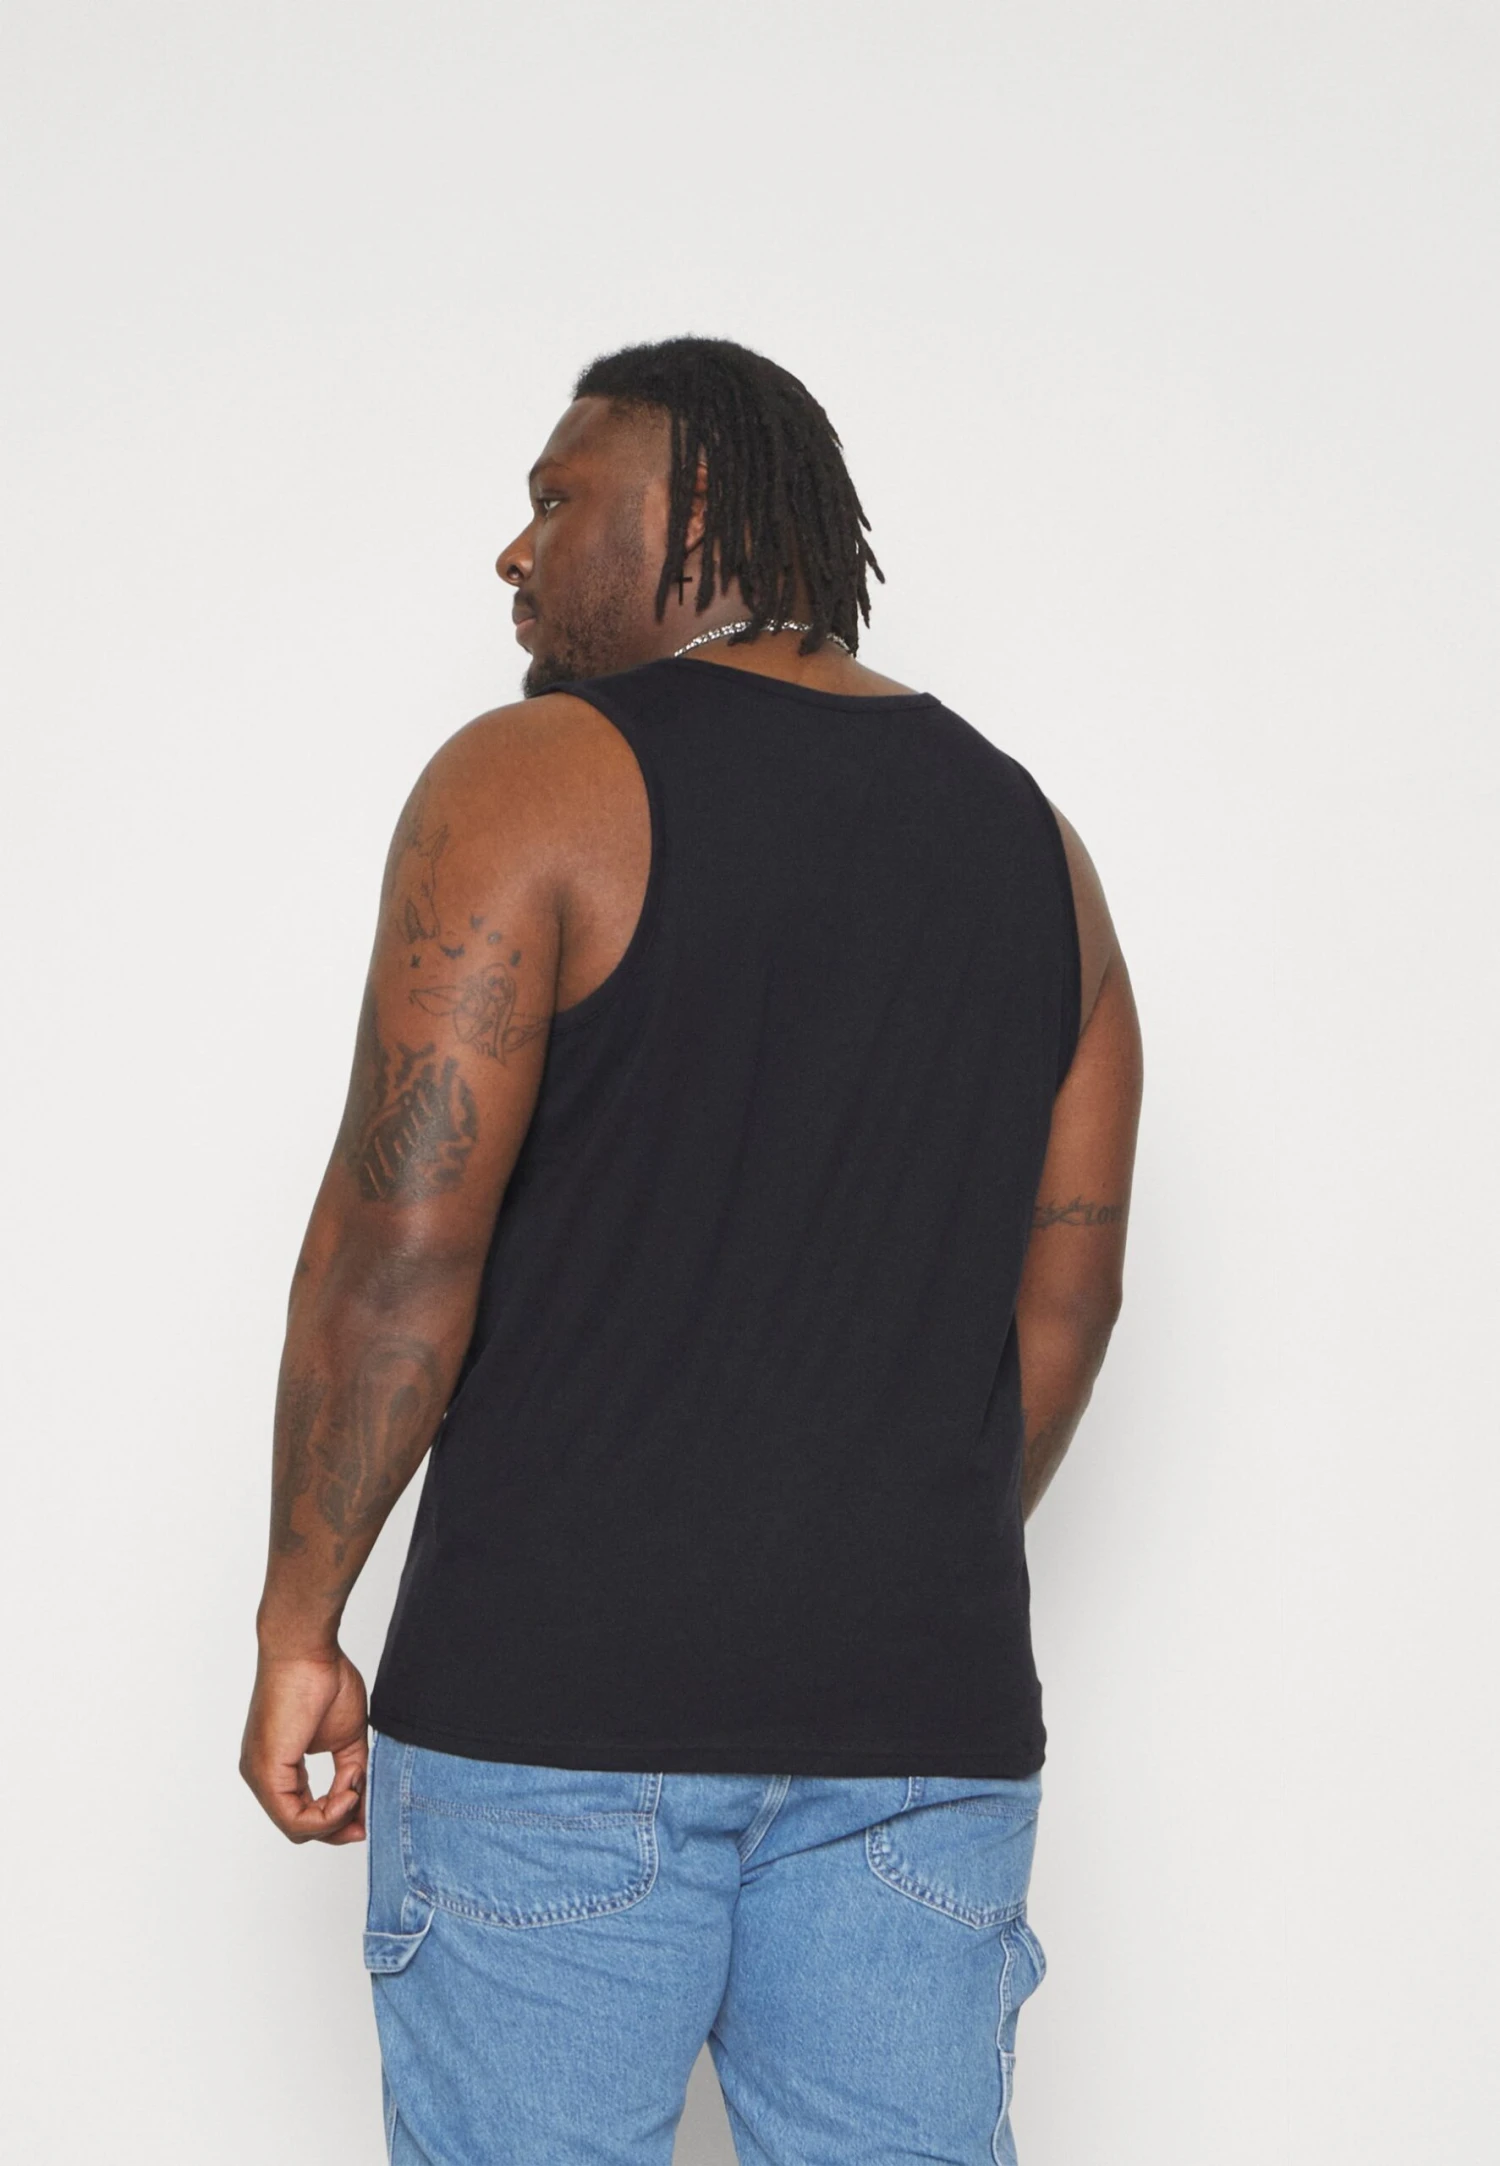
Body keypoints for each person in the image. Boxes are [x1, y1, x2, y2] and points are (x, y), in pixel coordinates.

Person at [240, 334, 1143, 2164]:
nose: (515, 550)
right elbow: (1067, 1296)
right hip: (923, 1730)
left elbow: (399, 1247)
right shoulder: (1038, 847)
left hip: (551, 1717)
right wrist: (873, 1545)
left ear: (698, 507)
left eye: (555, 498)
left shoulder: (527, 784)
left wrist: (298, 1614)